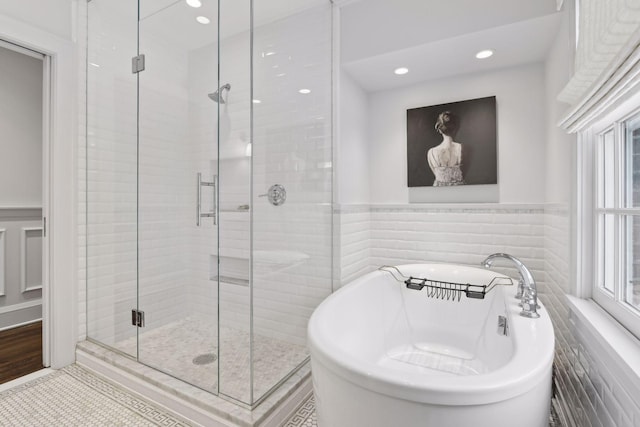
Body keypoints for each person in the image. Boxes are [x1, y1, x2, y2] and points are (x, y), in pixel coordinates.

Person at [427, 111, 465, 186]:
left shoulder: (431, 152)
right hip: (459, 192)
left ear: (440, 130)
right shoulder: (462, 148)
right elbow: (464, 173)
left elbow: (437, 176)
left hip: (438, 193)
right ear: (456, 128)